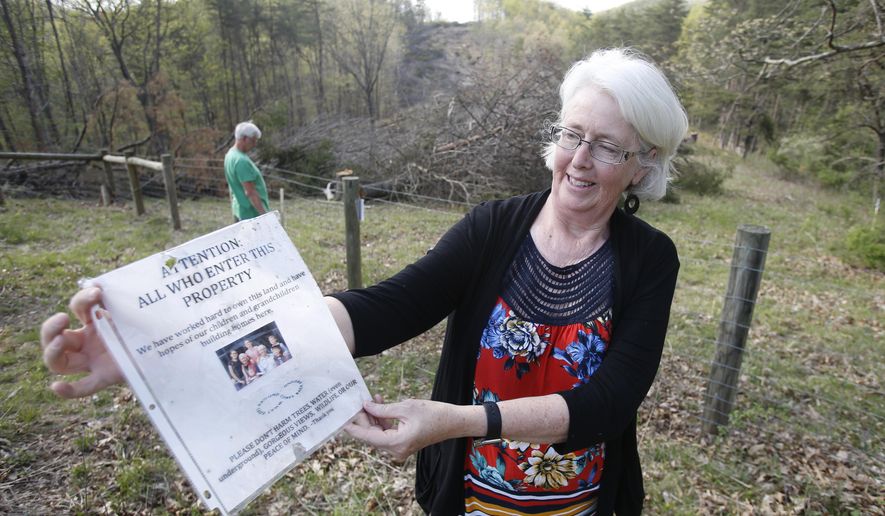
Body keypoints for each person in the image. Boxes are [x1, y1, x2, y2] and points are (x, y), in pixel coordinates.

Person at [41, 48, 687, 515]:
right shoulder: (493, 229)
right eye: (571, 135)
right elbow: (380, 310)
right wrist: (154, 353)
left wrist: (456, 420)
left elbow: (608, 404)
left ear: (641, 166)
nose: (577, 160)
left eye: (605, 146)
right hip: (469, 502)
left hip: (582, 504)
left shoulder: (649, 260)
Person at [225, 121, 269, 222]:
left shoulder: (230, 155)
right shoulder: (241, 161)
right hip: (251, 214)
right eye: (253, 141)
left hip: (240, 209)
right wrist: (264, 216)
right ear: (244, 138)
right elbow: (250, 192)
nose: (254, 144)